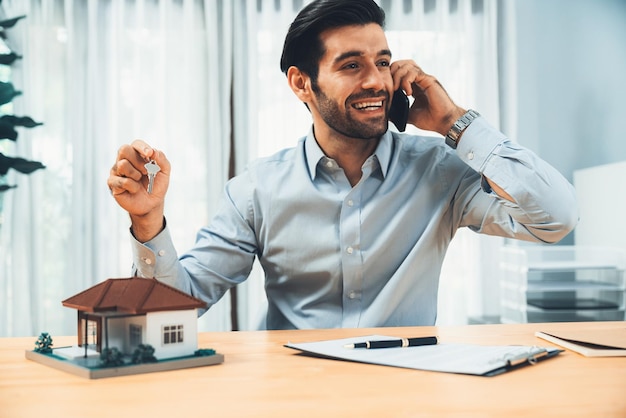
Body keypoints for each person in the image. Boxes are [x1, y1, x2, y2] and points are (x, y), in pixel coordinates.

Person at [108, 0, 578, 329]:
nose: (377, 81)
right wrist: (148, 223)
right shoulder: (256, 190)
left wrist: (456, 122)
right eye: (351, 65)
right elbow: (170, 313)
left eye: (383, 61)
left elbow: (555, 219)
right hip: (299, 397)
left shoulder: (439, 171)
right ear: (301, 83)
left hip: (408, 392)